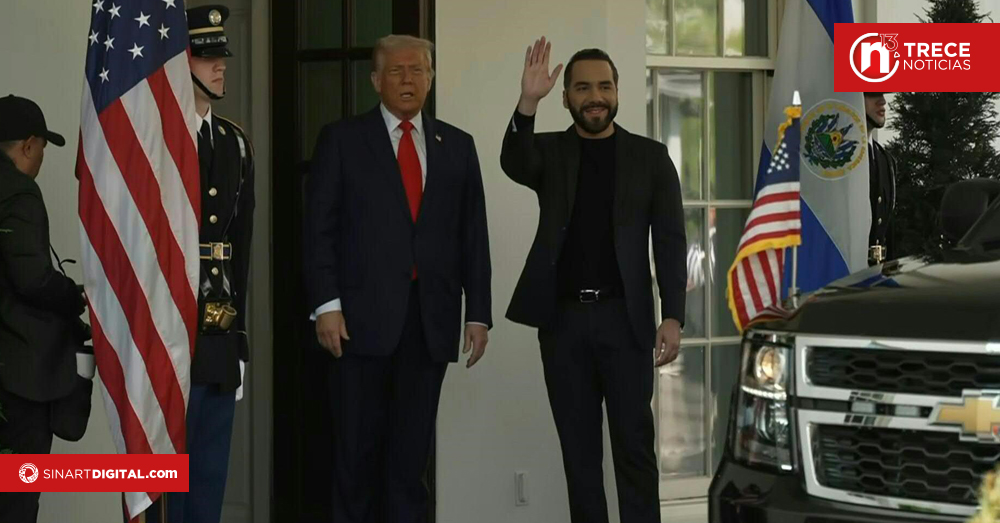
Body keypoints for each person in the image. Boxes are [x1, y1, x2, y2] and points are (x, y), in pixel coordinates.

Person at [303, 34, 492, 522]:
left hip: (429, 323)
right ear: (375, 80)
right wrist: (326, 305)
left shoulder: (458, 145)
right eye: (396, 71)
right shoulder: (342, 140)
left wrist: (479, 314)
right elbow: (319, 229)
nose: (408, 80)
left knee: (411, 464)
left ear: (431, 78)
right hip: (357, 324)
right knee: (356, 459)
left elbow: (473, 235)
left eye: (417, 70)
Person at [501, 38, 686, 523]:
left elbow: (670, 240)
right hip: (562, 325)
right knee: (579, 458)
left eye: (604, 86)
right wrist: (527, 102)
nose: (595, 96)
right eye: (582, 88)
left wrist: (673, 315)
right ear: (566, 98)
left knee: (634, 451)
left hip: (626, 323)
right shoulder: (549, 152)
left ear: (618, 92)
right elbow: (513, 162)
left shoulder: (651, 158)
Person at [146, 6, 256, 522]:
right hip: (165, 323)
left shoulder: (235, 143)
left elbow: (241, 246)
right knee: (164, 478)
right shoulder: (153, 139)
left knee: (209, 470)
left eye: (221, 56)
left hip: (216, 325)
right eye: (206, 57)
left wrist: (239, 338)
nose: (220, 66)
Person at [0, 94, 87, 523]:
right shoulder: (20, 193)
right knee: (17, 500)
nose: (40, 160)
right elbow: (33, 278)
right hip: (18, 381)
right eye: (42, 150)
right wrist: (75, 297)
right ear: (28, 145)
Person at [864, 92, 897, 265]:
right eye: (872, 94)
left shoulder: (885, 159)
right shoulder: (837, 161)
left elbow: (889, 230)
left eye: (883, 93)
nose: (882, 101)